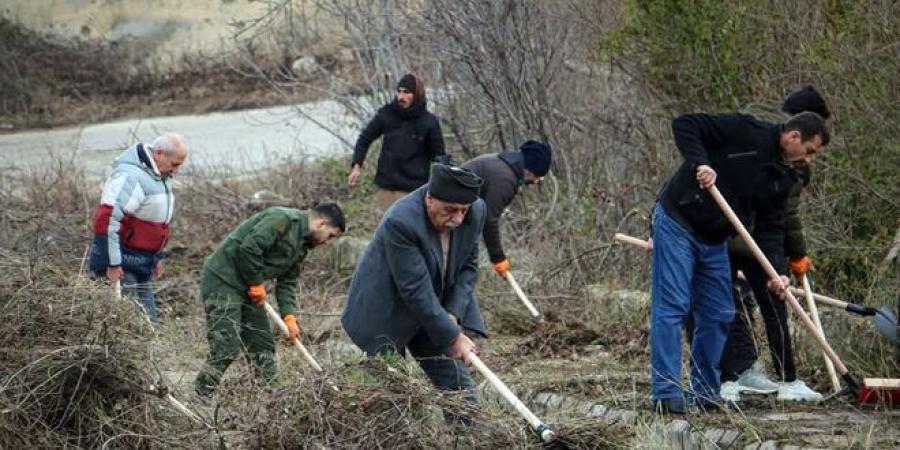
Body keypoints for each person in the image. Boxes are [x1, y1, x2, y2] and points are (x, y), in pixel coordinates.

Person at [650, 110, 830, 414]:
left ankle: (707, 391)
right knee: (674, 306)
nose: (808, 159)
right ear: (793, 136)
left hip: (716, 239)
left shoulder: (783, 177)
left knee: (720, 312)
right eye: (809, 151)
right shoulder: (745, 130)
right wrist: (701, 162)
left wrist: (778, 273)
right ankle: (666, 393)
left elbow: (772, 229)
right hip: (679, 221)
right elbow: (685, 124)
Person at [719, 85, 831, 402]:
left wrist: (787, 263)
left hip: (752, 242)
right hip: (740, 242)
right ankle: (741, 376)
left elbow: (780, 217)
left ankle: (769, 378)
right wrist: (795, 256)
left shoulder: (790, 158)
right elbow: (786, 216)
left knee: (756, 307)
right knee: (744, 306)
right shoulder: (782, 161)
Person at [342, 163, 486, 403]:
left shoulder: (476, 211)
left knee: (460, 388)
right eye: (451, 210)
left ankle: (469, 438)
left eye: (464, 210)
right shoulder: (401, 222)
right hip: (387, 310)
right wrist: (453, 336)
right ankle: (395, 438)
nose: (459, 218)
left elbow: (468, 268)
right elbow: (415, 290)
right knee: (393, 393)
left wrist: (451, 316)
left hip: (432, 310)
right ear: (430, 199)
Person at [194, 203, 345, 397]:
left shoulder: (303, 245)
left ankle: (270, 398)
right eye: (331, 236)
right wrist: (257, 282)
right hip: (223, 279)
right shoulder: (281, 219)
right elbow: (249, 248)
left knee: (262, 345)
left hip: (249, 288)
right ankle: (201, 395)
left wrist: (289, 316)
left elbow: (287, 282)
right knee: (226, 345)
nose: (327, 242)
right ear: (321, 223)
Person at [89, 133, 188, 326]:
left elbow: (155, 223)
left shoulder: (160, 176)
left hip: (143, 262)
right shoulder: (131, 176)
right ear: (159, 154)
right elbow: (107, 220)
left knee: (150, 321)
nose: (176, 171)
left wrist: (156, 257)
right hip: (122, 263)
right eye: (175, 164)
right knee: (132, 324)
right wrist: (113, 263)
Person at [347, 73, 446, 215]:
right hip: (386, 187)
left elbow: (439, 157)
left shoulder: (429, 122)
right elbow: (365, 138)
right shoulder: (387, 114)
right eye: (399, 91)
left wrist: (443, 187)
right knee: (386, 231)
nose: (401, 97)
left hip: (414, 189)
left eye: (406, 93)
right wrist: (357, 165)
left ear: (416, 94)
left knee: (410, 232)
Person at [462, 140, 552, 278]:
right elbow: (489, 220)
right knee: (466, 268)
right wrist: (498, 258)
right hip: (450, 216)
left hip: (459, 215)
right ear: (529, 171)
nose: (535, 182)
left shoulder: (504, 164)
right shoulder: (506, 180)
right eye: (537, 178)